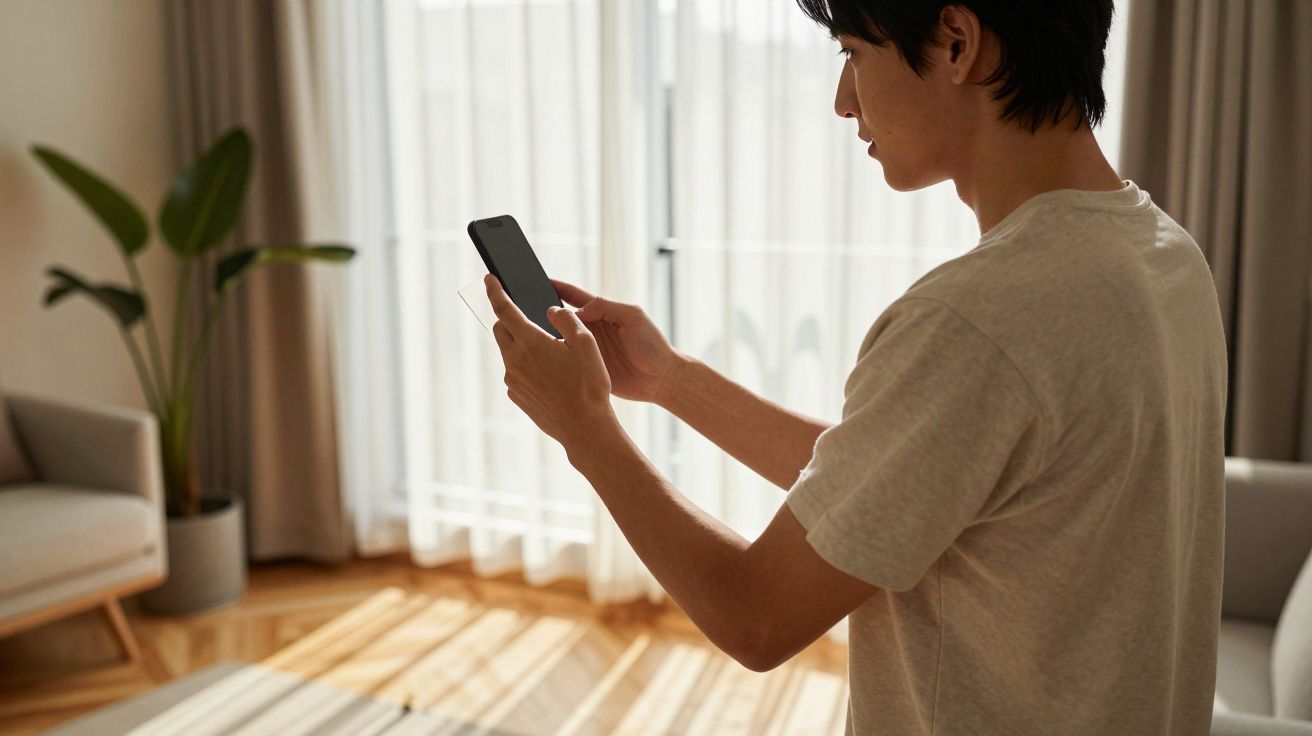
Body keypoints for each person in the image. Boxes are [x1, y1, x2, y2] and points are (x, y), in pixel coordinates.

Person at [482, 1, 1228, 733]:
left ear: (958, 42)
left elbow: (756, 615)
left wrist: (586, 431)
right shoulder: (1162, 256)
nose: (844, 101)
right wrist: (670, 380)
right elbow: (903, 488)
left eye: (852, 53)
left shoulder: (976, 319)